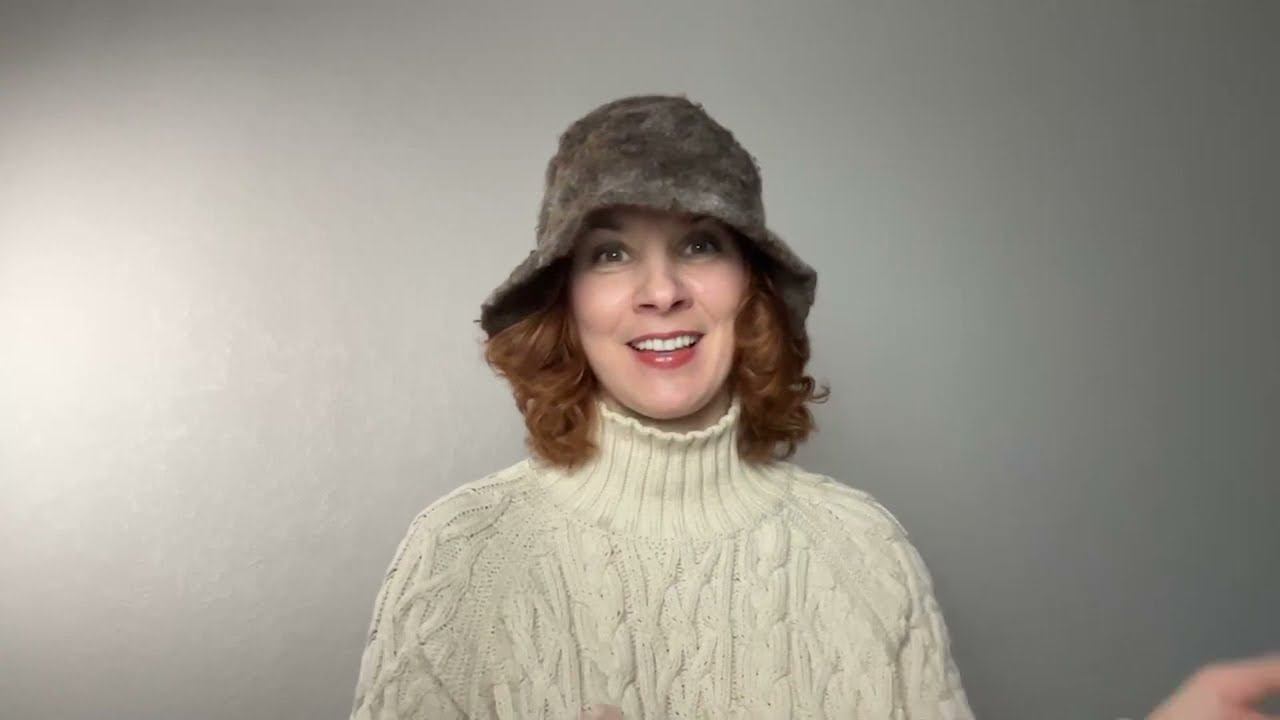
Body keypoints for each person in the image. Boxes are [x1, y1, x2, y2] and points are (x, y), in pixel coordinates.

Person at [348, 95, 1278, 719]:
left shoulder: (866, 552)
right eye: (611, 253)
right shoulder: (460, 558)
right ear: (565, 299)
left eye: (700, 244)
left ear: (752, 287)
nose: (661, 291)